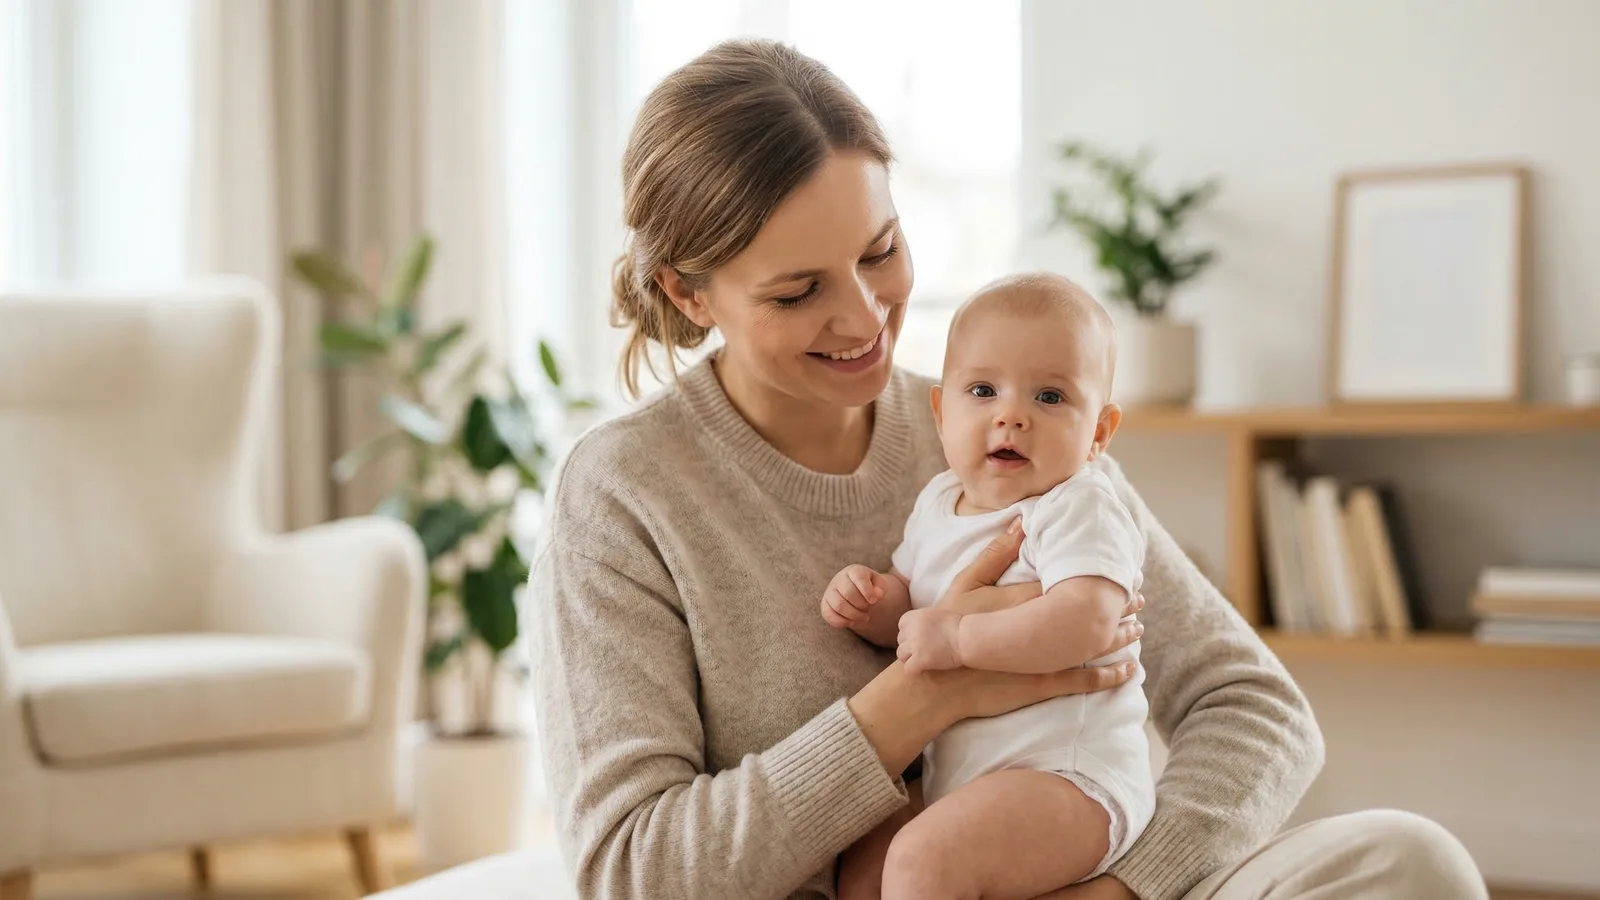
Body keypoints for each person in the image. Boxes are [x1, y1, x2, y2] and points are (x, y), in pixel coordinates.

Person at [530, 38, 1487, 900]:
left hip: (1077, 877)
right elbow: (631, 871)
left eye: (881, 251)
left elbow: (1257, 707)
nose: (866, 319)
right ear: (686, 293)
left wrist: (1125, 890)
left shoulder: (997, 428)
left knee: (1409, 863)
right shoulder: (625, 492)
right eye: (797, 291)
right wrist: (923, 695)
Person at [822, 274, 1154, 899]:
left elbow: (1087, 619)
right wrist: (870, 600)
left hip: (1069, 778)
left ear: (1100, 434)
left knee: (922, 863)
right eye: (982, 391)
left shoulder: (1078, 503)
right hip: (969, 779)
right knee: (865, 860)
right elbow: (913, 605)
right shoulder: (940, 500)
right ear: (942, 413)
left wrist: (959, 638)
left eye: (1051, 397)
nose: (1012, 415)